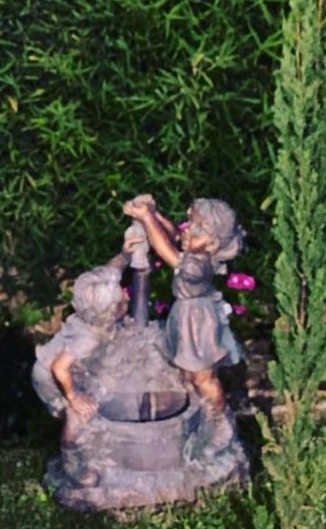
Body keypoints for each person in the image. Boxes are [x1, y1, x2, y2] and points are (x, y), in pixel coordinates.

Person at [122, 195, 244, 418]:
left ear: (213, 244)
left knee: (203, 376)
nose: (188, 231)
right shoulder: (198, 250)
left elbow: (164, 249)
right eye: (190, 223)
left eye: (197, 230)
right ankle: (201, 410)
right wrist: (156, 215)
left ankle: (219, 417)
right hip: (187, 315)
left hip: (197, 322)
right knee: (190, 372)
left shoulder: (198, 267)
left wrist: (147, 218)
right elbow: (176, 236)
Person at [31, 241, 136, 481]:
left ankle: (88, 444)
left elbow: (112, 269)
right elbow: (59, 367)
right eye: (121, 301)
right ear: (109, 314)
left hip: (67, 368)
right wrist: (74, 397)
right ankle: (73, 464)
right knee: (77, 414)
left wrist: (125, 254)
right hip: (52, 376)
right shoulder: (89, 338)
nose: (126, 296)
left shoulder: (95, 295)